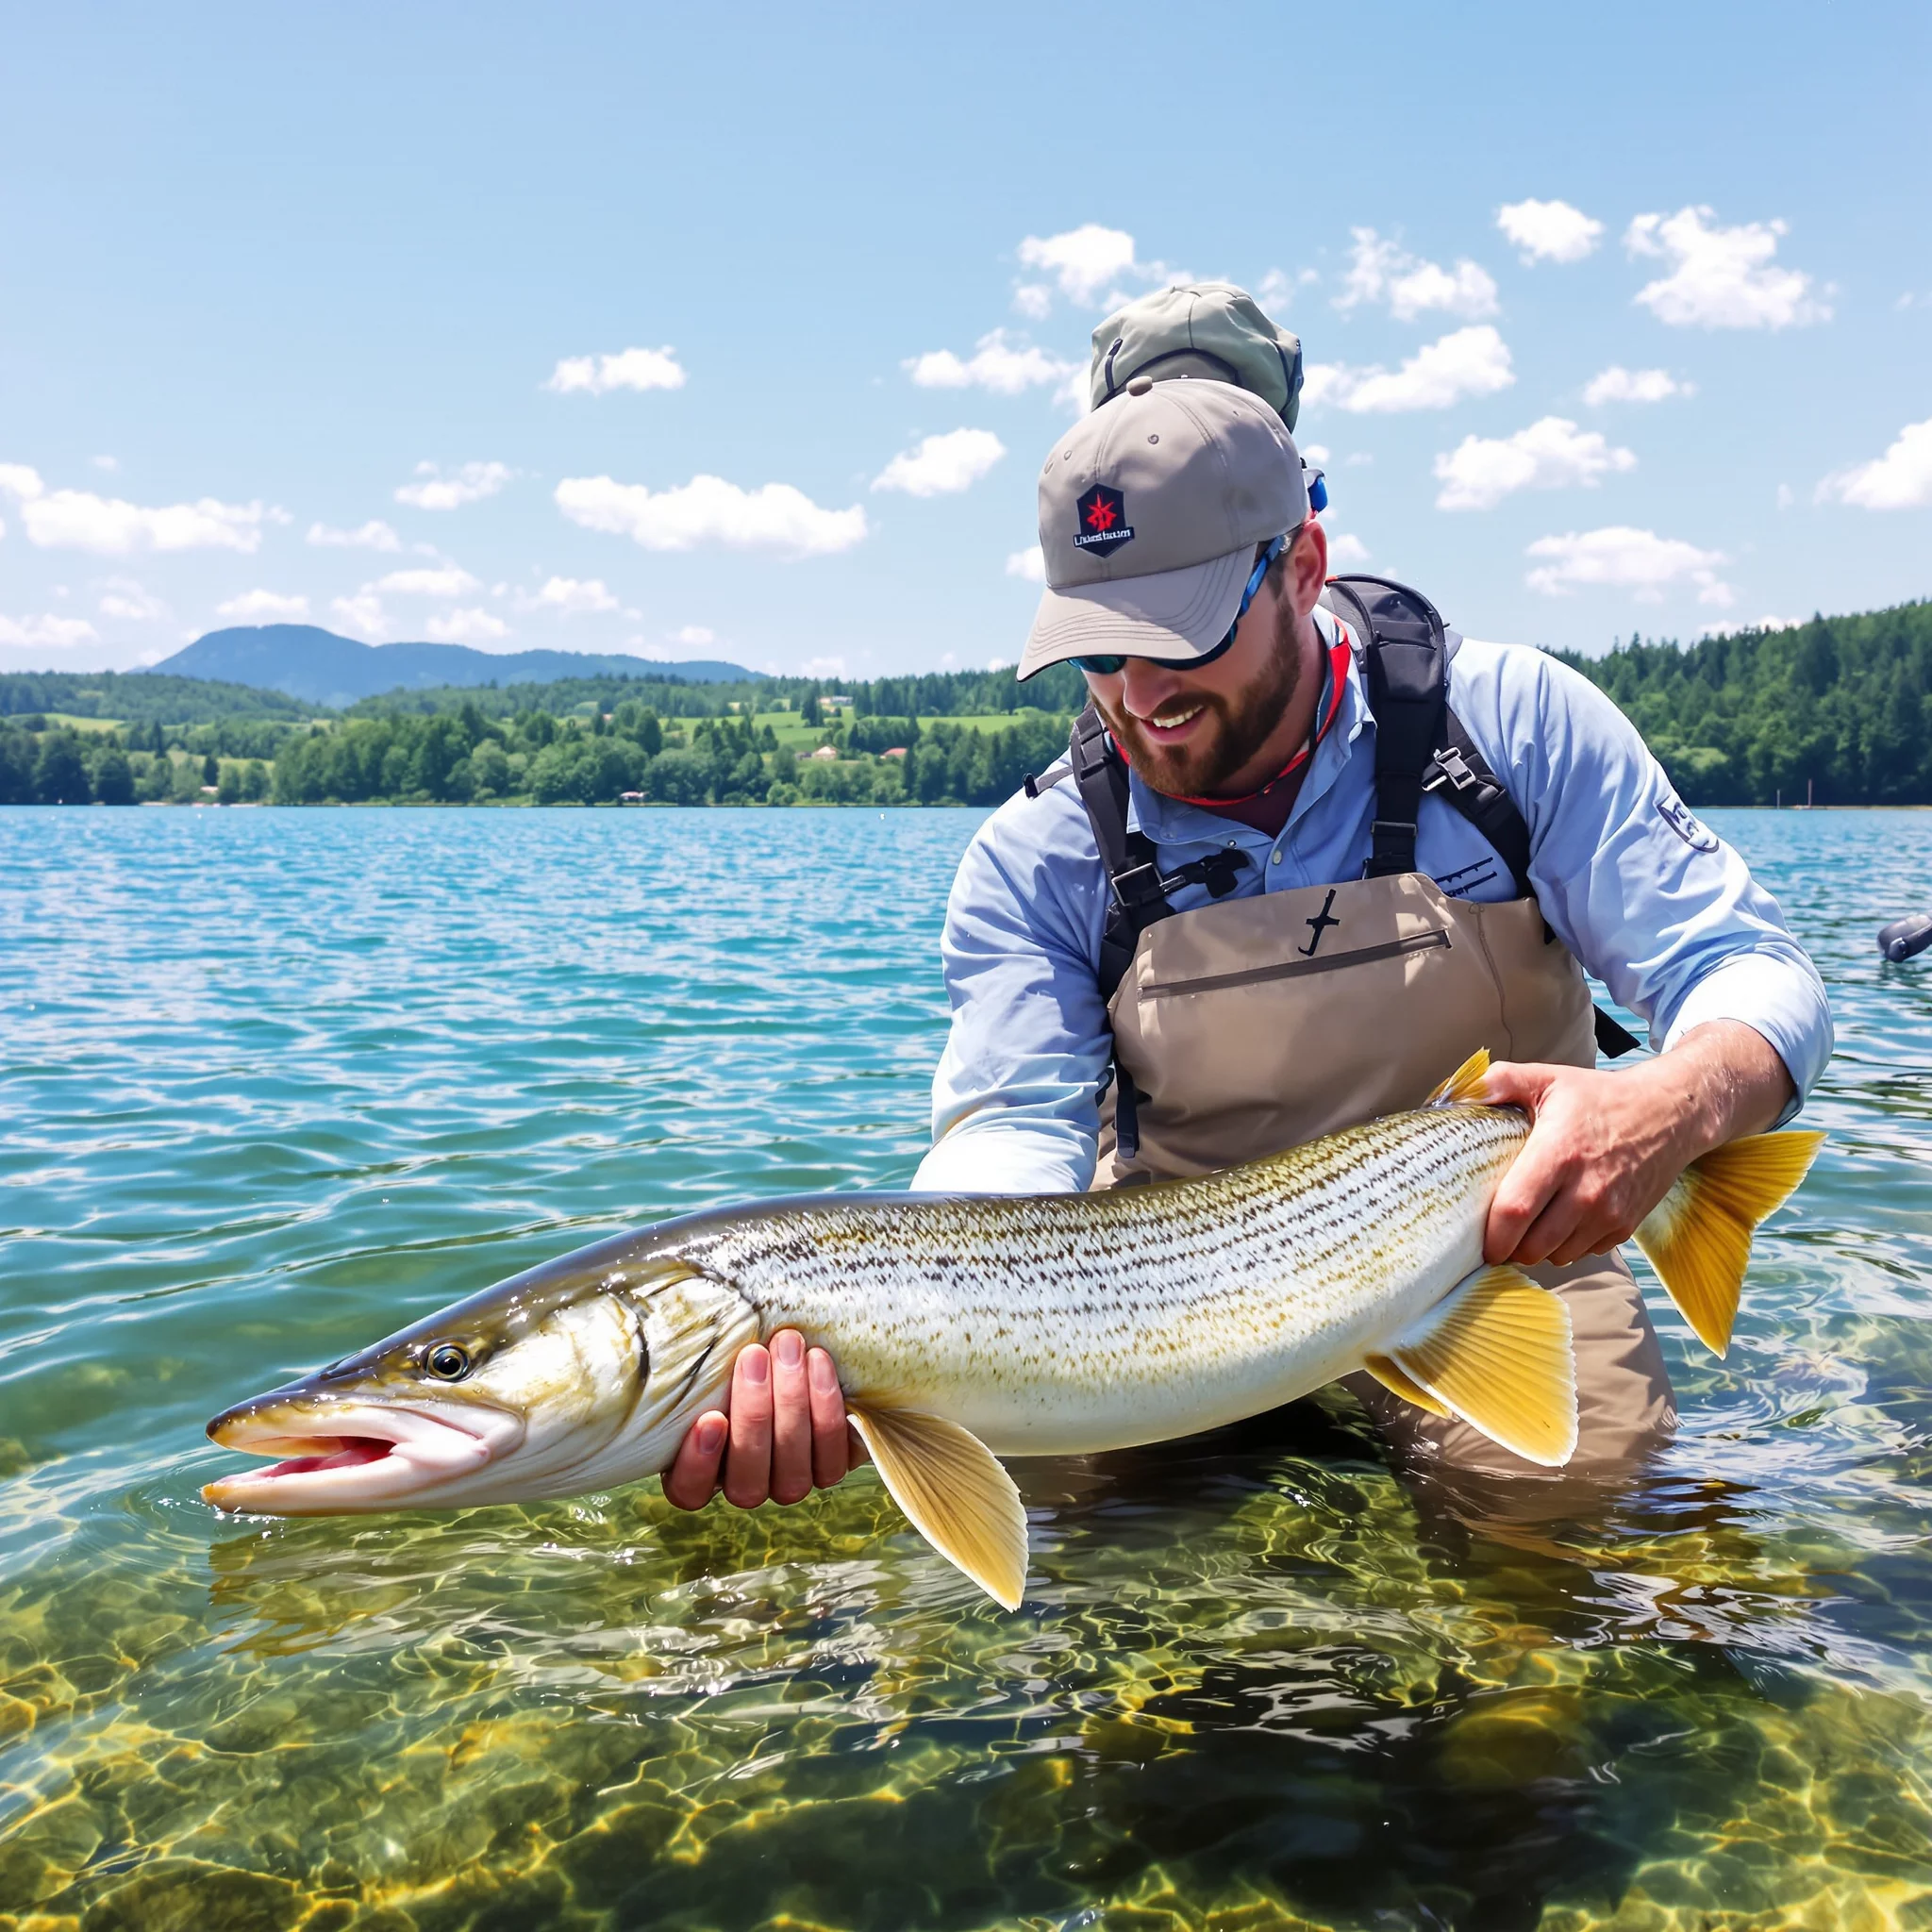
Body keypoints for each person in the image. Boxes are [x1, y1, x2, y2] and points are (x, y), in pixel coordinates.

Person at [664, 283, 1832, 1510]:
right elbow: (1010, 1137)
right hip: (1157, 1301)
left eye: (1180, 636)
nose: (1139, 695)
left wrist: (1671, 1107)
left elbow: (1750, 967)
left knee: (1561, 1543)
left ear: (1303, 568)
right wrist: (880, 1333)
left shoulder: (1513, 727)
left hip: (1499, 1251)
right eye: (1098, 648)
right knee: (1074, 1583)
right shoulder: (1035, 856)